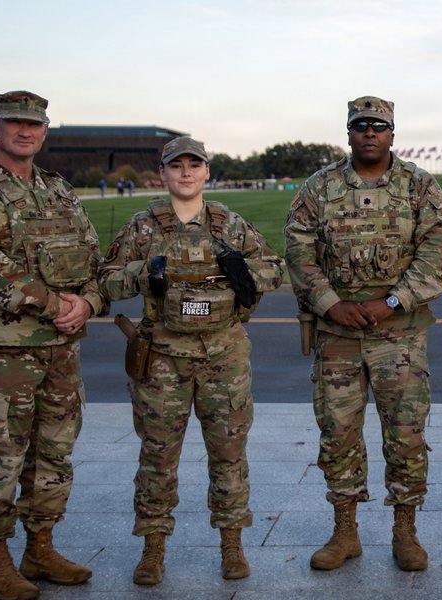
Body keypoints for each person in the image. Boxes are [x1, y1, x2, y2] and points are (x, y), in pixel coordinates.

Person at [0, 90, 105, 600]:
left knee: (53, 456)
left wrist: (90, 302)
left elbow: (94, 257)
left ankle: (40, 548)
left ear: (45, 131)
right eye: (13, 123)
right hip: (1, 356)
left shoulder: (59, 191)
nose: (24, 131)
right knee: (0, 458)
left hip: (59, 353)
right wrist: (58, 306)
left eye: (33, 124)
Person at [99, 136, 283, 585]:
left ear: (206, 172)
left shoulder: (228, 224)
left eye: (193, 165)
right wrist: (146, 272)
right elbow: (105, 280)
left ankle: (232, 545)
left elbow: (275, 268)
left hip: (224, 355)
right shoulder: (144, 227)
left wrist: (246, 272)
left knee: (229, 455)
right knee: (158, 457)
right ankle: (153, 548)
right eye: (175, 166)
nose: (185, 173)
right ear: (162, 174)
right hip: (162, 359)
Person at [284, 96, 442, 572]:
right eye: (360, 125)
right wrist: (331, 304)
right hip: (337, 334)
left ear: (392, 134)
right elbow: (298, 252)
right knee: (337, 435)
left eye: (378, 126)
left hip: (397, 336)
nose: (369, 133)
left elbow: (439, 253)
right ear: (349, 133)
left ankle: (405, 531)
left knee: (405, 435)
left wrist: (393, 301)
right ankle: (345, 531)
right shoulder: (319, 188)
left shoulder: (419, 187)